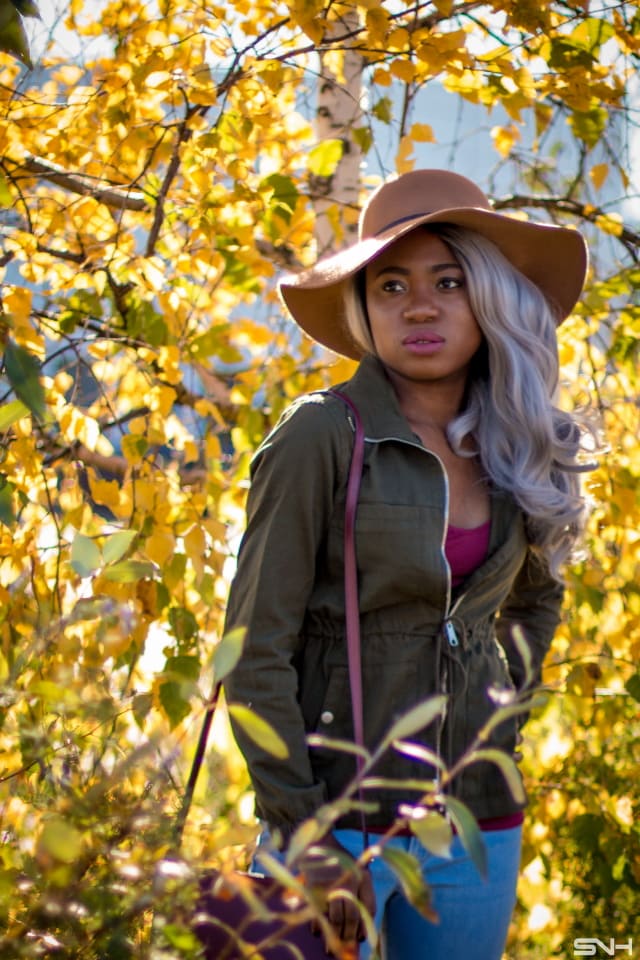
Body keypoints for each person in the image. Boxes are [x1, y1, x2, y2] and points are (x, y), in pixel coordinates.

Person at [223, 169, 594, 959]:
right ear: (364, 308)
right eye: (390, 284)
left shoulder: (522, 442)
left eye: (448, 282)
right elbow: (253, 653)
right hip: (335, 825)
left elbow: (535, 605)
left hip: (476, 820)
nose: (419, 306)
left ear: (489, 298)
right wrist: (307, 831)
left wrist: (502, 720)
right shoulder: (320, 436)